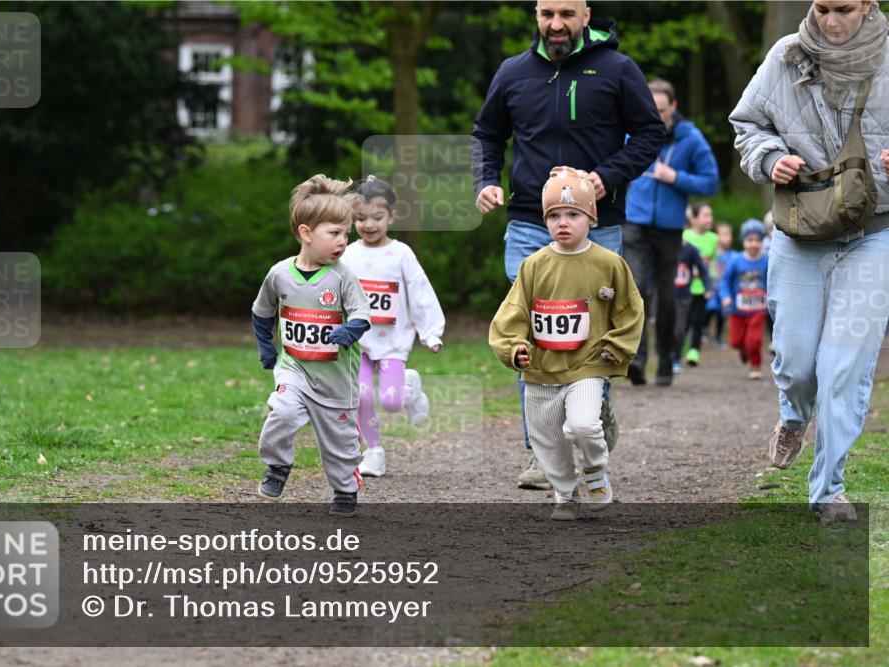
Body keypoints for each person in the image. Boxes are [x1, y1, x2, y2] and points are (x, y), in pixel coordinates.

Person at [471, 0, 665, 489]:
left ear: (585, 14)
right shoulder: (514, 72)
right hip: (529, 221)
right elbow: (487, 134)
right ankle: (541, 450)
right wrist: (485, 181)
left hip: (599, 223)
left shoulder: (617, 69)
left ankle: (593, 404)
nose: (555, 24)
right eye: (545, 14)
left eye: (566, 14)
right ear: (535, 16)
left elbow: (648, 134)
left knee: (592, 325)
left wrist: (606, 177)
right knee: (534, 330)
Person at [730, 0, 889, 523]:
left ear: (867, 6)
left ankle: (828, 492)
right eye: (822, 8)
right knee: (797, 363)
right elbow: (747, 125)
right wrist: (771, 158)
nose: (831, 20)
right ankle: (794, 417)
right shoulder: (786, 57)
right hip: (800, 230)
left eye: (844, 9)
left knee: (844, 367)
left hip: (875, 233)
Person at [489, 167, 643, 519]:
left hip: (588, 364)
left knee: (583, 425)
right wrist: (514, 347)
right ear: (544, 221)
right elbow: (512, 314)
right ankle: (565, 493)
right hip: (542, 369)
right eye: (554, 215)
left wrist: (617, 346)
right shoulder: (534, 265)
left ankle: (594, 469)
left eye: (573, 214)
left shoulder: (609, 263)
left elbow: (631, 309)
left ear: (591, 217)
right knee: (548, 439)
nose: (563, 222)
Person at [251, 175, 371, 517]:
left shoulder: (342, 276)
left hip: (336, 380)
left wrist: (349, 330)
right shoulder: (279, 274)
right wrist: (266, 348)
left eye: (346, 235)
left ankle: (346, 489)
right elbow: (262, 312)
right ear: (306, 233)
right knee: (283, 411)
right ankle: (277, 467)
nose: (342, 242)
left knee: (340, 444)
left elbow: (363, 314)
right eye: (334, 233)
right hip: (296, 368)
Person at [341, 176, 446, 478]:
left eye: (377, 217)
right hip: (357, 340)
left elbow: (420, 291)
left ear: (392, 216)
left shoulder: (401, 253)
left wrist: (430, 331)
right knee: (359, 395)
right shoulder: (347, 253)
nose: (368, 224)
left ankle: (409, 390)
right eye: (360, 218)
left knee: (390, 400)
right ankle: (372, 452)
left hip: (392, 341)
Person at [623, 79, 721, 386]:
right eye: (651, 109)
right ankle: (637, 360)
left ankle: (665, 359)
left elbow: (711, 182)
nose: (655, 115)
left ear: (674, 107)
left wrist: (676, 177)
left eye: (662, 110)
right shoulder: (630, 132)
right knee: (636, 288)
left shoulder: (690, 139)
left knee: (666, 297)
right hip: (634, 223)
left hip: (669, 229)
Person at [717, 221, 769, 380]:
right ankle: (743, 349)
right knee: (736, 341)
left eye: (758, 240)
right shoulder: (736, 260)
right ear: (743, 241)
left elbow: (773, 282)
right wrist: (725, 297)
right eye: (750, 240)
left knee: (754, 340)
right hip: (737, 309)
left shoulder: (767, 261)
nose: (754, 244)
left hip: (758, 309)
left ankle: (755, 365)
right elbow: (724, 281)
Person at [678, 202, 718, 368]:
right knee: (684, 321)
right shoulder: (684, 236)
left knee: (698, 321)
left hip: (702, 289)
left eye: (711, 215)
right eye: (705, 215)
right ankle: (677, 352)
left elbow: (713, 264)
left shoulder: (713, 239)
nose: (710, 219)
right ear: (693, 218)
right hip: (684, 288)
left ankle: (694, 351)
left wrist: (712, 285)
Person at [672, 240, 713, 375]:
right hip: (666, 296)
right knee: (666, 327)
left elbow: (702, 269)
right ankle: (666, 358)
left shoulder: (691, 250)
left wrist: (707, 287)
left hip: (684, 296)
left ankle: (675, 359)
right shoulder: (663, 246)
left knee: (680, 328)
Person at [705, 223, 737, 347]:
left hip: (725, 291)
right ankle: (704, 330)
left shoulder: (733, 256)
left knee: (722, 314)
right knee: (711, 308)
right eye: (724, 234)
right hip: (712, 288)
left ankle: (718, 337)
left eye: (729, 235)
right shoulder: (712, 254)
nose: (728, 238)